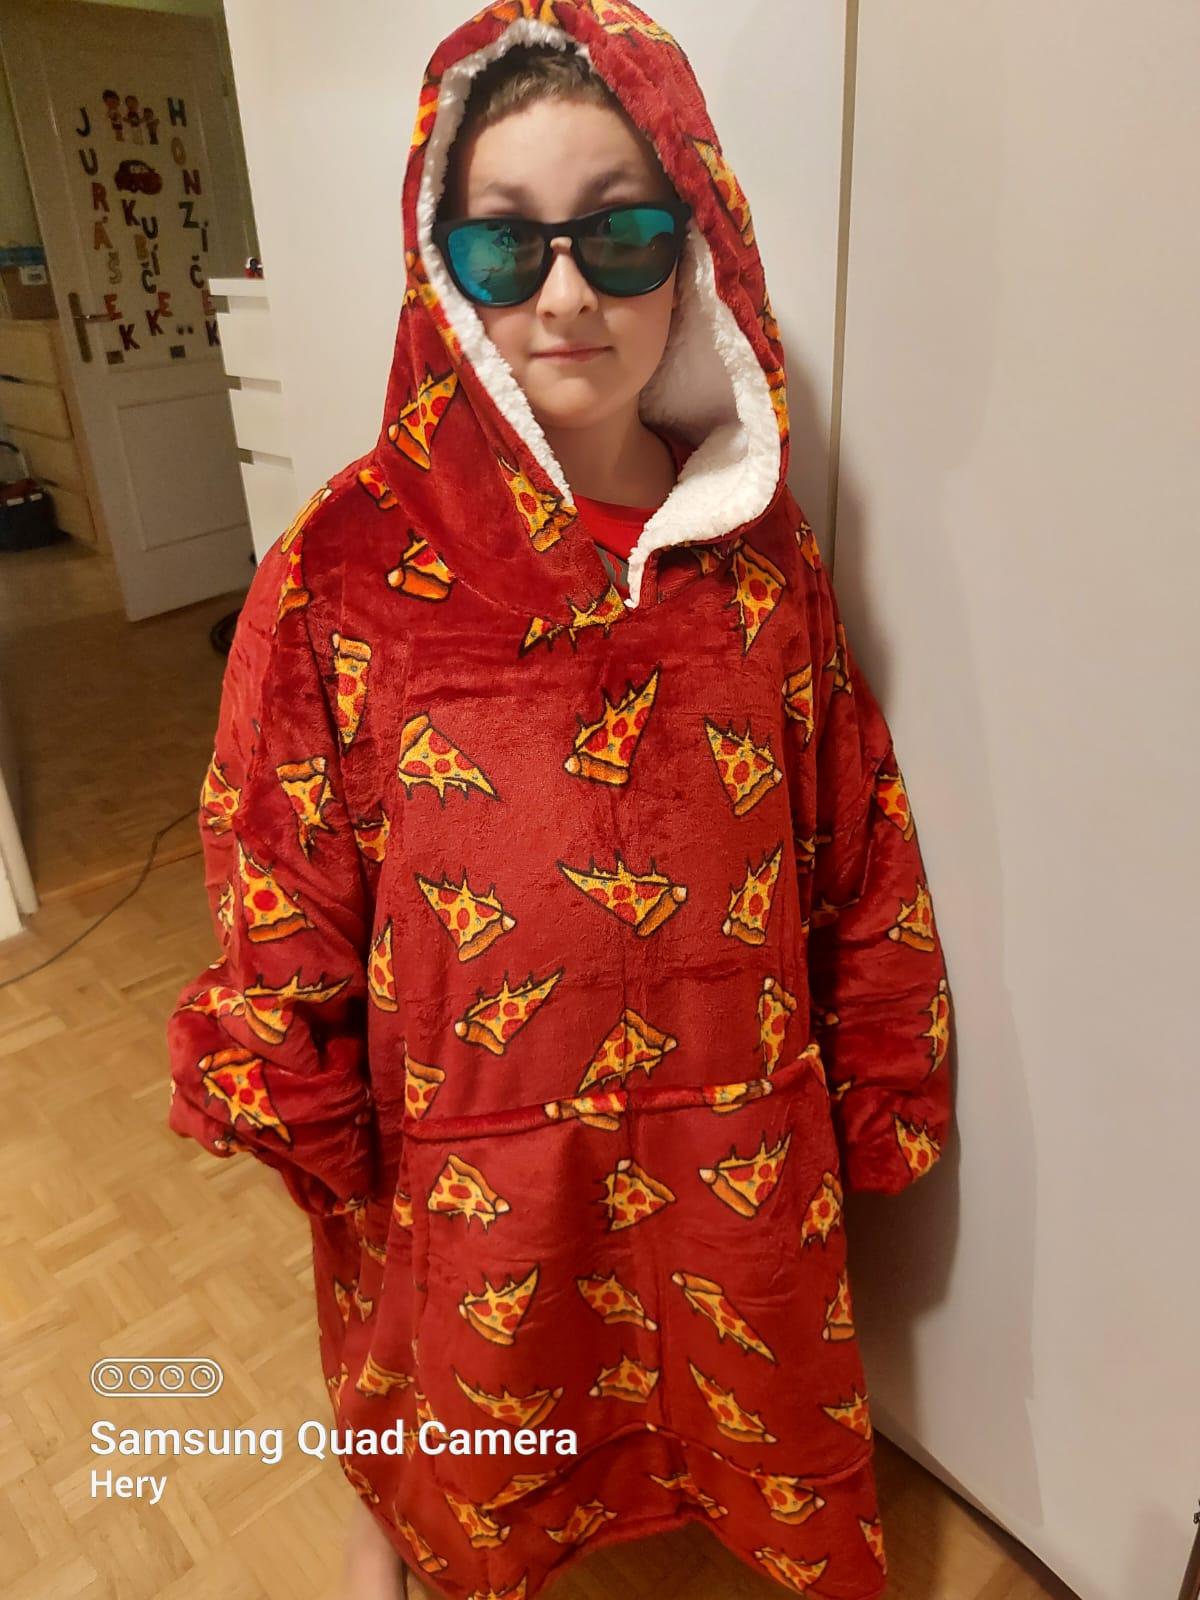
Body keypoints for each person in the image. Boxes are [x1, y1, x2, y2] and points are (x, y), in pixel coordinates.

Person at [165, 5, 954, 1599]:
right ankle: (394, 1517)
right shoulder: (346, 570)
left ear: (693, 244)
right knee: (468, 1465)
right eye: (507, 244)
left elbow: (852, 834)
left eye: (621, 231)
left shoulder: (763, 563)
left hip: (737, 1146)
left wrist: (882, 1069)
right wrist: (302, 1096)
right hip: (480, 1173)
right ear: (442, 267)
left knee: (752, 1423)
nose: (570, 293)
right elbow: (277, 866)